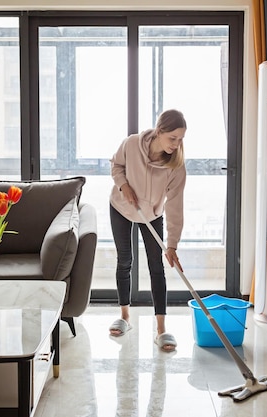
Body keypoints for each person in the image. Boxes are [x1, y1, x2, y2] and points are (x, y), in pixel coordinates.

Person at [108, 109, 187, 352]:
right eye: (172, 138)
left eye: (181, 139)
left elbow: (175, 207)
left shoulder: (176, 166)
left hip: (152, 214)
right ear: (159, 131)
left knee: (156, 266)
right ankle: (125, 317)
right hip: (122, 206)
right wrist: (123, 186)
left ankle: (161, 329)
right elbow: (116, 165)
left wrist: (172, 244)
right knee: (125, 260)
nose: (176, 144)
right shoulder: (132, 144)